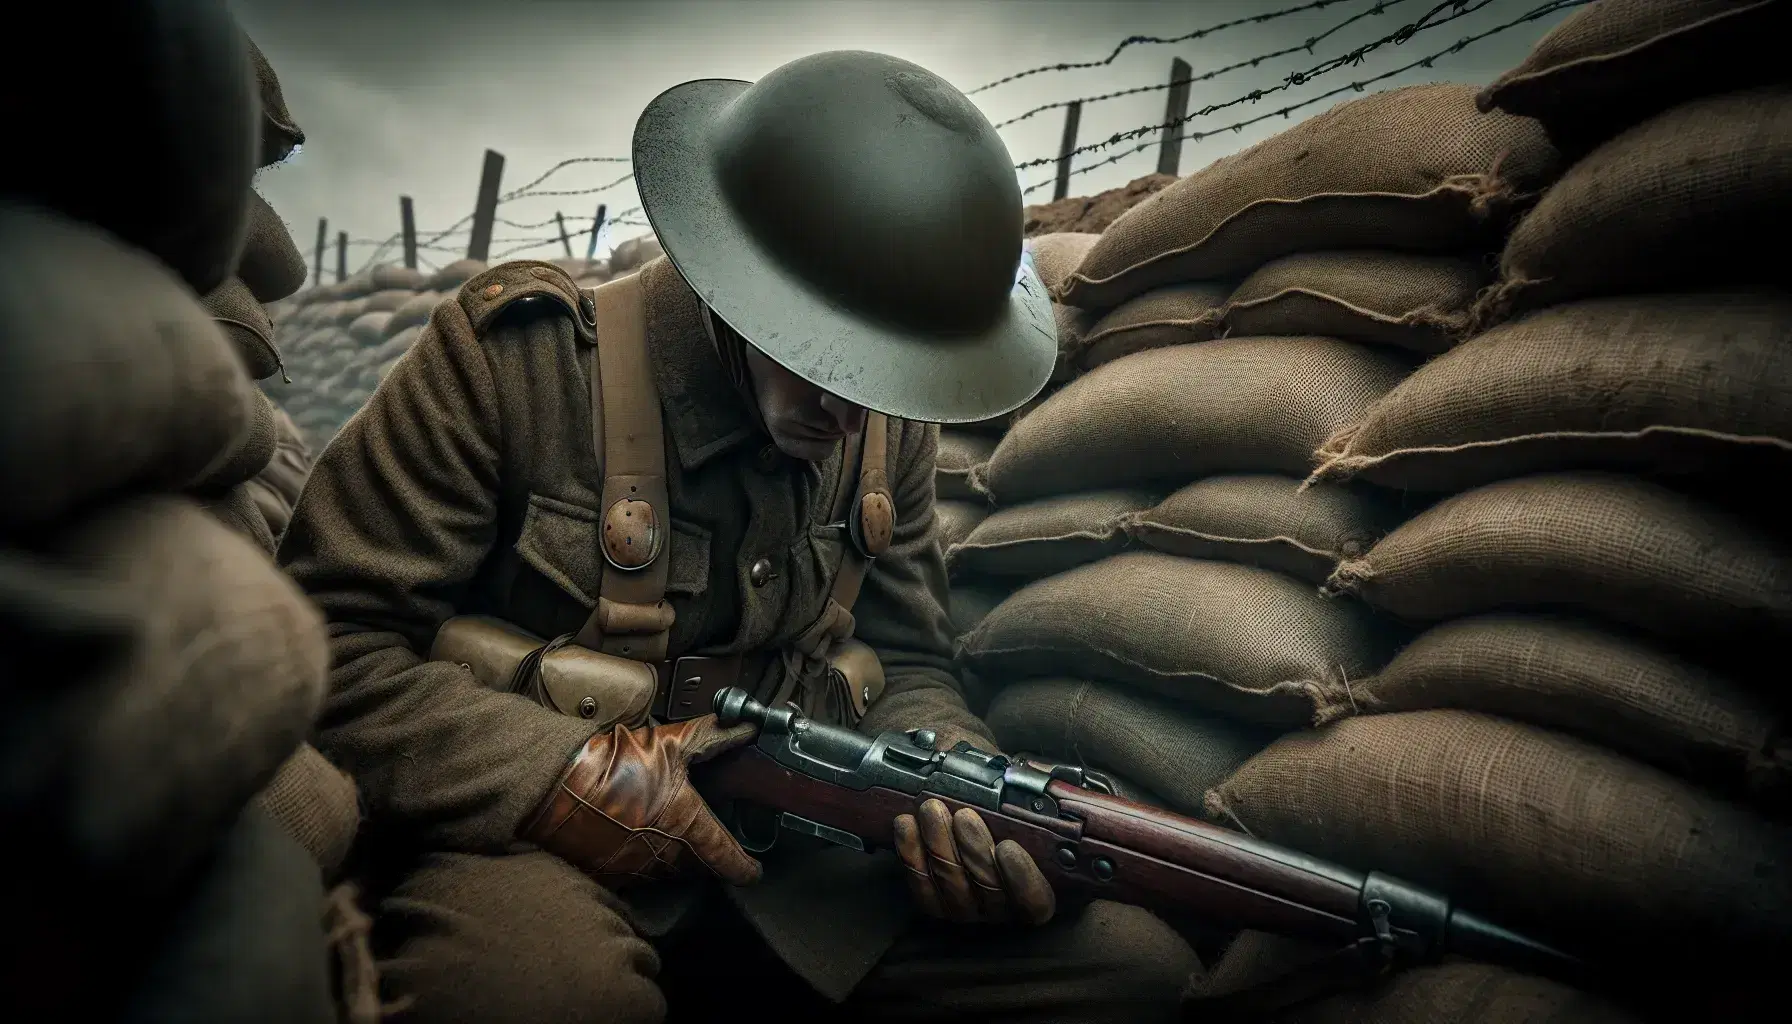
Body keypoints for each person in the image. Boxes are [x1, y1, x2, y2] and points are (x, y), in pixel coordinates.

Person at [278, 49, 1197, 1024]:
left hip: (796, 860)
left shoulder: (888, 418)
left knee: (1127, 967)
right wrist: (556, 773)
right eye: (826, 363)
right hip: (532, 844)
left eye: (886, 382)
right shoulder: (520, 365)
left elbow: (910, 656)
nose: (853, 419)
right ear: (737, 283)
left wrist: (955, 796)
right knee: (544, 995)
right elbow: (323, 645)